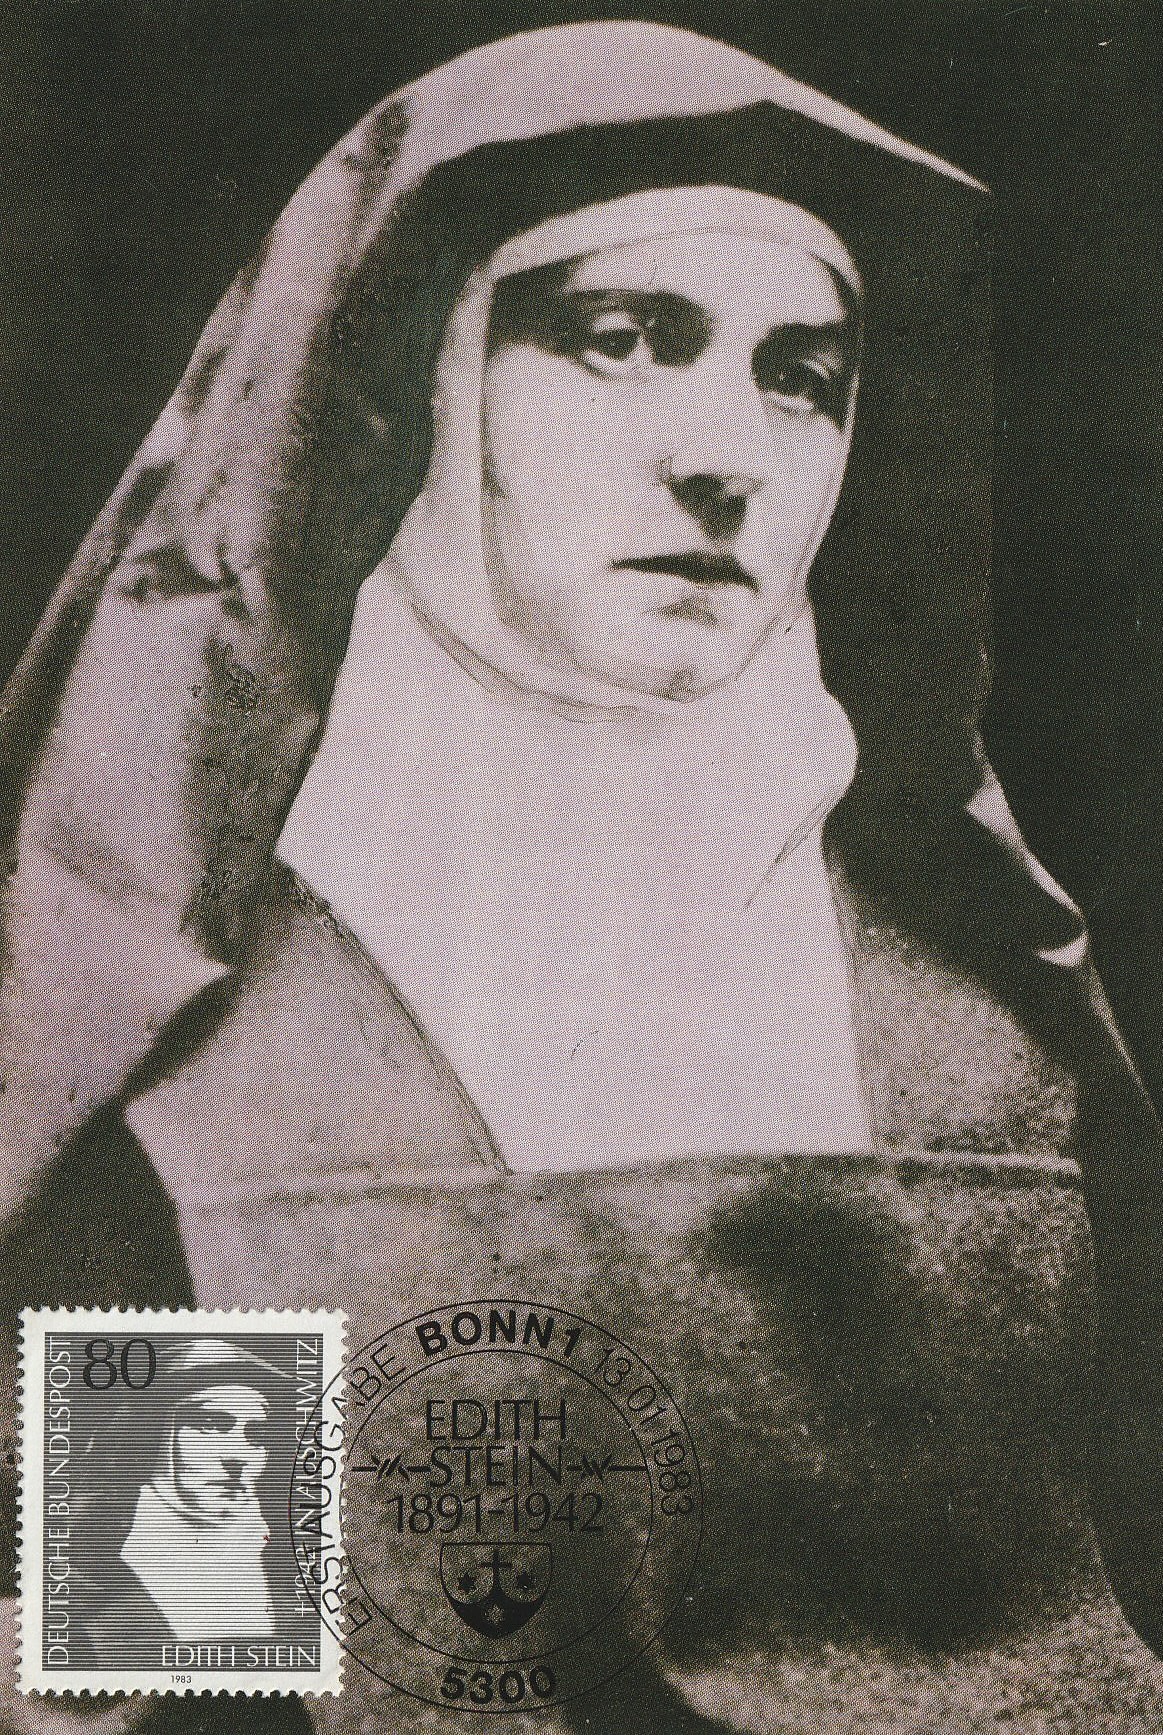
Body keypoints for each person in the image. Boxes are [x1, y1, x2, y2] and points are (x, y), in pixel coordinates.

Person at [3, 19, 1163, 1731]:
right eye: (621, 340)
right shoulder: (196, 1072)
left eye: (800, 374)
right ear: (419, 378)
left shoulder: (985, 1039)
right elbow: (158, 1676)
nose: (727, 453)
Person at [73, 1339, 289, 1657]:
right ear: (156, 1434)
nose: (239, 1456)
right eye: (211, 1424)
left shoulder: (290, 1588)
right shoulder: (79, 1579)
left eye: (256, 1435)